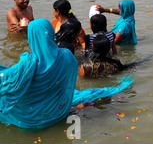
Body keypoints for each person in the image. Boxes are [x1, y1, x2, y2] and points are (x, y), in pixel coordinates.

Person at [0, 19, 133, 129]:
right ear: (51, 33)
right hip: (59, 112)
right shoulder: (67, 55)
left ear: (31, 37)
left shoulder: (27, 65)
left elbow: (7, 81)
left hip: (30, 120)